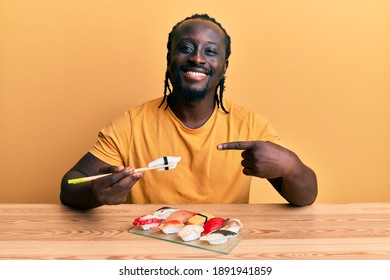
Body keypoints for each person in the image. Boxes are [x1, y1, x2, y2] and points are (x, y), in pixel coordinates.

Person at [60, 14, 317, 209]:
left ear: (224, 66)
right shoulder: (132, 123)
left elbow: (305, 197)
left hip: (221, 250)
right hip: (151, 254)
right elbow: (69, 185)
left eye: (210, 51)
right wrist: (95, 193)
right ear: (170, 58)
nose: (197, 59)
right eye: (186, 48)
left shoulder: (250, 125)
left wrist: (291, 167)